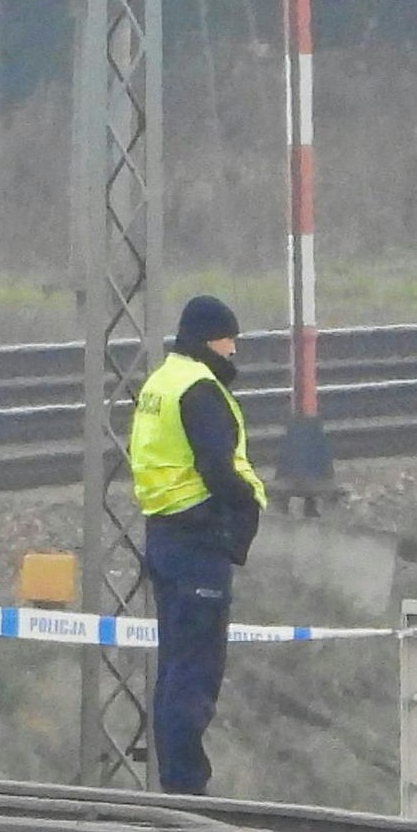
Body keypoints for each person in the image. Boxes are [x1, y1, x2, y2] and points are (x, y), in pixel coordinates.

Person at [129, 293, 263, 796]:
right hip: (197, 541)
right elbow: (217, 467)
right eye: (231, 339)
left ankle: (175, 781)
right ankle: (186, 787)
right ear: (212, 339)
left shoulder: (160, 382)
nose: (234, 350)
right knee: (196, 671)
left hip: (163, 534)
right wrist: (244, 507)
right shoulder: (199, 390)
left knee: (174, 665)